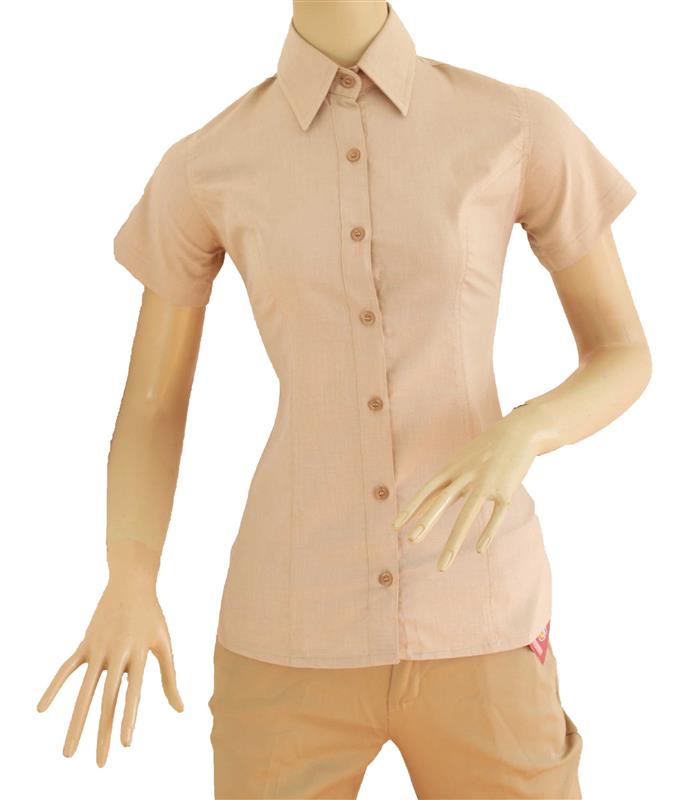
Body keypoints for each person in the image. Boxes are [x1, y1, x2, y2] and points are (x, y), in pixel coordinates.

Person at [37, 2, 650, 798]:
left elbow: (622, 351)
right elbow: (153, 404)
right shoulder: (208, 163)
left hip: (480, 611)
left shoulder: (514, 127)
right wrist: (129, 575)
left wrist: (528, 429)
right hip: (288, 625)